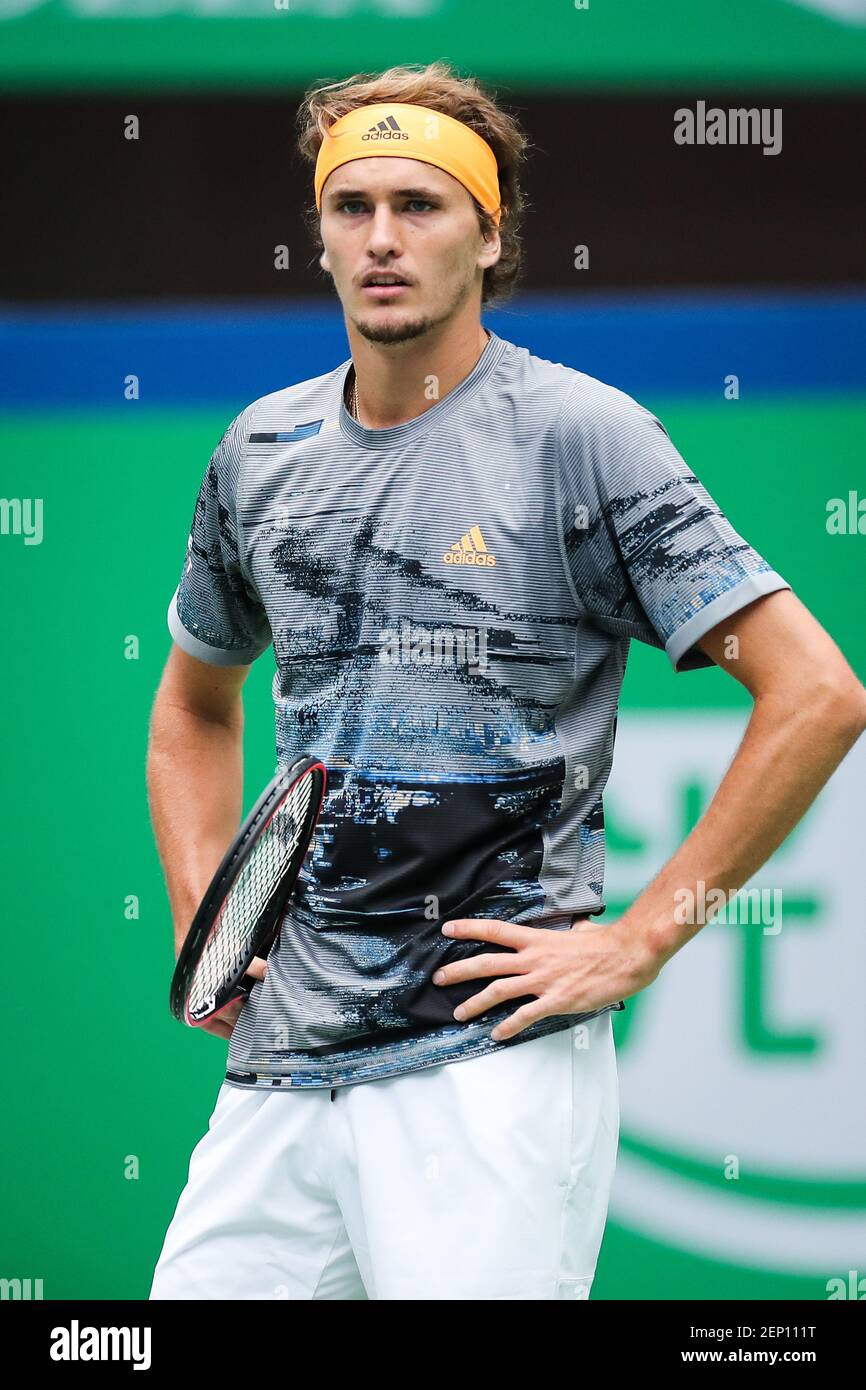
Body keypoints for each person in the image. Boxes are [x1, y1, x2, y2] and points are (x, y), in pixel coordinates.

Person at [147, 62, 866, 1301]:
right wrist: (208, 914)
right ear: (315, 233)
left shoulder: (584, 435)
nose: (380, 239)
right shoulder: (258, 451)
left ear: (488, 235)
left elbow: (815, 692)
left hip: (486, 1072)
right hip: (276, 1077)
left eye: (420, 207)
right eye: (350, 205)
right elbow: (190, 710)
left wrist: (638, 942)